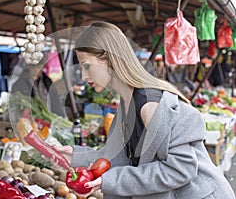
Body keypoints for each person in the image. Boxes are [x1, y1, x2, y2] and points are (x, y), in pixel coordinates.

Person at [50, 21, 235, 199]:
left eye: (87, 66)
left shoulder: (149, 106)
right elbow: (117, 157)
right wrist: (75, 156)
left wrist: (109, 180)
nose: (83, 76)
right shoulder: (127, 104)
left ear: (109, 59)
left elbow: (180, 169)